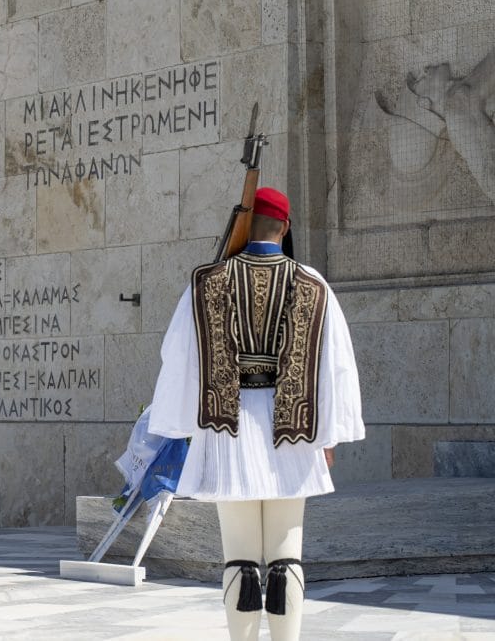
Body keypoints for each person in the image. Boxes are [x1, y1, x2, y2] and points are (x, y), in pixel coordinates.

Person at [147, 187, 364, 641]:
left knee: (240, 560)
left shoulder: (206, 282)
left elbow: (179, 357)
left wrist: (181, 428)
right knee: (287, 559)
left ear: (246, 226)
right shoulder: (313, 283)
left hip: (229, 428)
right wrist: (331, 435)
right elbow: (335, 365)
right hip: (296, 427)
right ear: (284, 227)